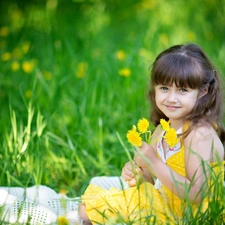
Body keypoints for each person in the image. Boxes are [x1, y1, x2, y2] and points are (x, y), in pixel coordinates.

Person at [79, 43, 225, 225]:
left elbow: (196, 194)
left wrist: (154, 162)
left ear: (203, 91)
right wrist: (139, 176)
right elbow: (153, 181)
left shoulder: (199, 134)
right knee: (88, 208)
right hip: (165, 203)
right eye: (164, 88)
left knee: (93, 212)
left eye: (183, 90)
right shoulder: (162, 130)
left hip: (193, 215)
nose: (171, 98)